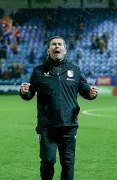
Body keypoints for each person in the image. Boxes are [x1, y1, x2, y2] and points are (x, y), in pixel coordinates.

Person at [20, 36, 98, 180]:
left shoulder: (75, 70)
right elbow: (30, 94)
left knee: (68, 163)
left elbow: (86, 91)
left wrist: (92, 93)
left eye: (60, 44)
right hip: (47, 126)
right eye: (53, 45)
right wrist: (24, 91)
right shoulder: (39, 71)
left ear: (65, 50)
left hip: (69, 125)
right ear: (48, 50)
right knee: (48, 162)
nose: (57, 47)